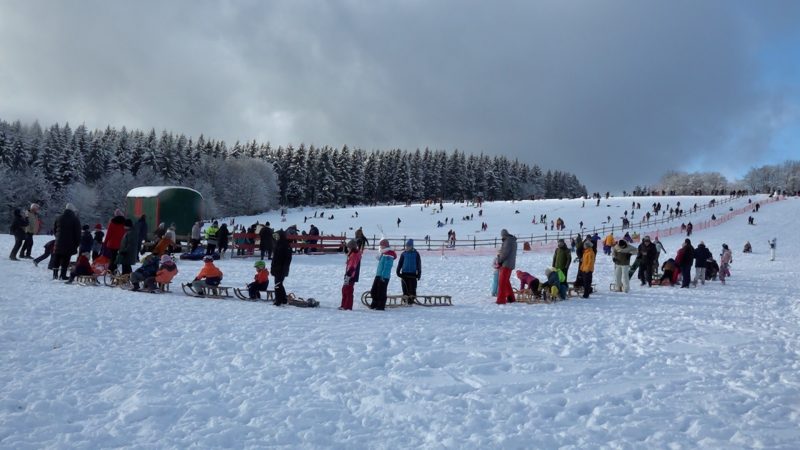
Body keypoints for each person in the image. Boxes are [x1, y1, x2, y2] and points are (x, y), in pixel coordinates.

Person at [52, 203, 82, 280]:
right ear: (72, 210)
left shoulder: (59, 218)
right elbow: (78, 233)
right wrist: (77, 243)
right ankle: (63, 275)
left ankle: (55, 275)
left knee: (57, 258)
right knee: (65, 259)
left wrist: (58, 237)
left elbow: (55, 230)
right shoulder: (75, 219)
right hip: (69, 243)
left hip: (58, 242)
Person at [369, 239, 397, 310]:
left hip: (384, 276)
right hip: (378, 274)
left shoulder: (389, 254)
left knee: (381, 291)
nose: (380, 247)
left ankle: (380, 306)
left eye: (381, 245)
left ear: (385, 245)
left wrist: (383, 276)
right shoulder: (383, 253)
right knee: (374, 290)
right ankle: (375, 303)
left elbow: (387, 266)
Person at [496, 229, 518, 304]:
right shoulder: (513, 241)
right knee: (506, 282)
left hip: (506, 264)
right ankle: (511, 298)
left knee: (502, 282)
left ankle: (501, 300)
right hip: (511, 264)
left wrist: (499, 260)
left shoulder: (508, 241)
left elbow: (504, 253)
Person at [271, 229, 292, 306]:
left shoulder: (285, 245)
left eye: (277, 236)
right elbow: (275, 258)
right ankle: (283, 299)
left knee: (277, 284)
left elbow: (287, 260)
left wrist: (284, 270)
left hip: (281, 269)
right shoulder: (278, 244)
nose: (276, 238)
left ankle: (278, 300)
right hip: (277, 268)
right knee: (279, 284)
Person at [340, 239, 362, 310]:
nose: (347, 248)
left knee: (348, 290)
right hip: (349, 275)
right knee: (344, 290)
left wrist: (348, 276)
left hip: (351, 276)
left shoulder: (354, 255)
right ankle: (344, 305)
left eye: (348, 247)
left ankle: (347, 307)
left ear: (351, 247)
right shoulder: (352, 254)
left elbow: (352, 267)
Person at [103, 209, 127, 273]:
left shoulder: (112, 222)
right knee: (120, 257)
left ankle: (112, 270)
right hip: (122, 243)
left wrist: (105, 242)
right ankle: (118, 269)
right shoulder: (125, 223)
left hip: (112, 243)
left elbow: (109, 233)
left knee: (113, 257)